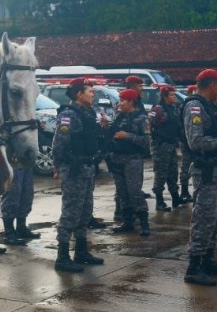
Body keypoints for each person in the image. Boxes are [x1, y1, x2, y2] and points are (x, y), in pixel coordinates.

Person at [182, 69, 217, 285]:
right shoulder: (194, 106)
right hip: (206, 170)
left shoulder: (211, 107)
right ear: (212, 84)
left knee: (215, 218)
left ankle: (208, 259)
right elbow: (195, 141)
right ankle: (194, 267)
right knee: (203, 218)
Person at [52, 78, 105, 272]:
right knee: (71, 212)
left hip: (88, 168)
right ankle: (62, 256)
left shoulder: (88, 113)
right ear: (78, 94)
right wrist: (58, 166)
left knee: (85, 212)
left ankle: (81, 251)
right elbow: (59, 144)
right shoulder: (68, 115)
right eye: (89, 90)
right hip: (73, 169)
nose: (93, 93)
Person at [108, 89, 151, 236]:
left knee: (134, 191)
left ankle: (144, 223)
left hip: (132, 159)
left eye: (123, 101)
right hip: (117, 158)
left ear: (131, 102)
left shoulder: (142, 118)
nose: (120, 104)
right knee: (122, 193)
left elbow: (146, 141)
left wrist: (128, 136)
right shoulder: (120, 116)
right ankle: (127, 222)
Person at [148, 85, 182, 210]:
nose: (174, 97)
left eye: (174, 94)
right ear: (164, 97)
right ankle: (159, 201)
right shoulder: (157, 110)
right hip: (160, 146)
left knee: (173, 172)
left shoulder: (174, 108)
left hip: (171, 145)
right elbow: (150, 128)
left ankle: (175, 197)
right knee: (161, 173)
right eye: (172, 95)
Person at [1, 165, 39, 245]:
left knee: (27, 194)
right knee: (12, 194)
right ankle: (9, 232)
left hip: (26, 160)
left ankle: (21, 228)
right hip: (13, 162)